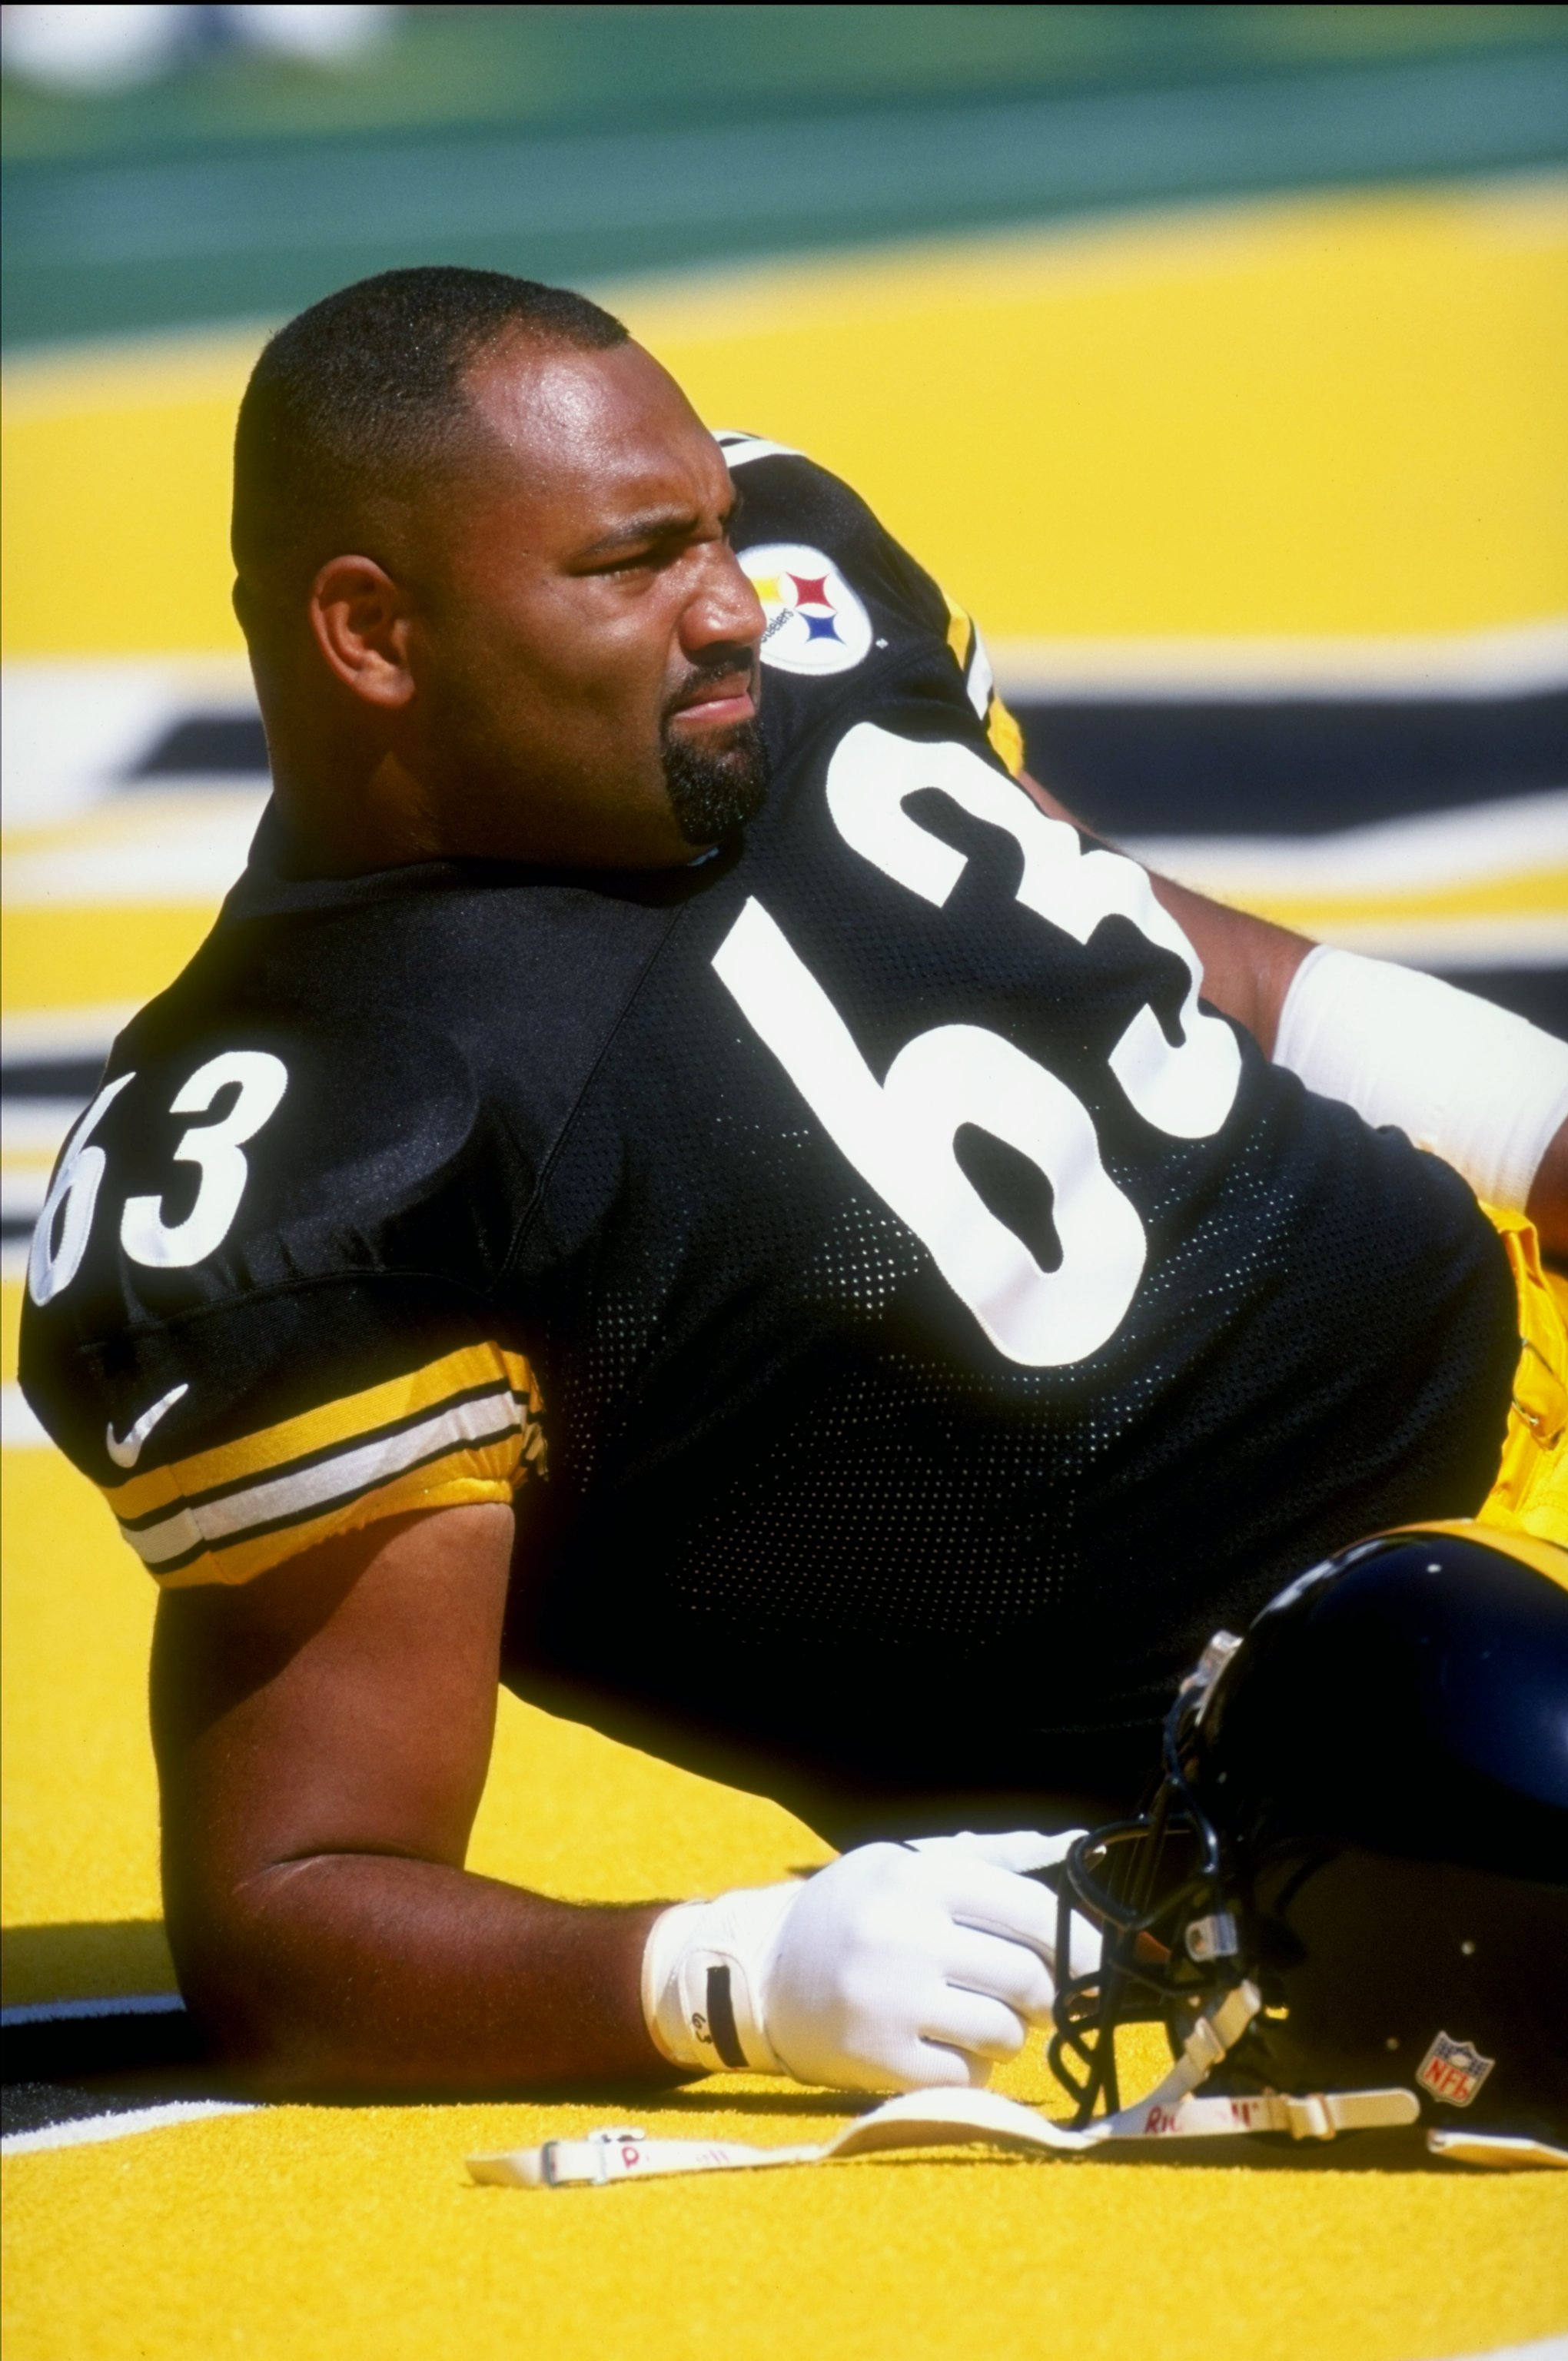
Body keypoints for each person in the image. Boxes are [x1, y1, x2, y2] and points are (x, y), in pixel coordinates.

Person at [19, 267, 1568, 2104]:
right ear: (370, 631)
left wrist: (1526, 1115)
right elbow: (291, 1914)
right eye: (635, 563)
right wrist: (720, 1974)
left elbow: (1116, 941)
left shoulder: (787, 600)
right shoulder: (320, 1141)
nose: (735, 601)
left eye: (719, 531)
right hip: (1357, 1733)